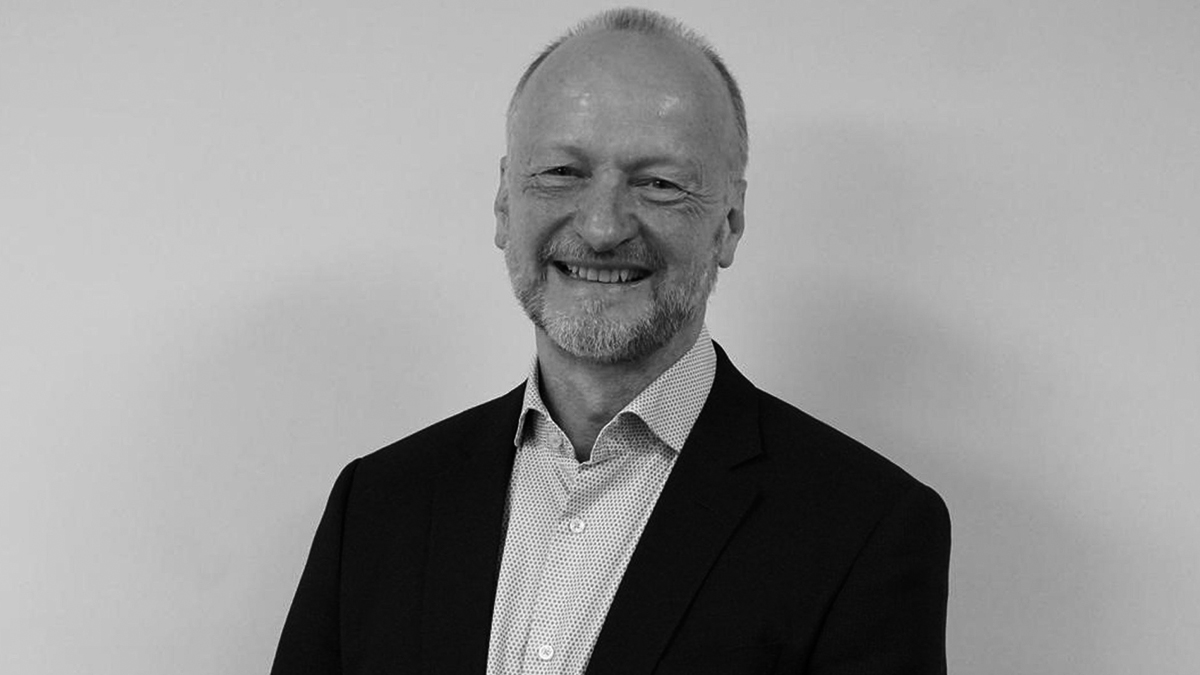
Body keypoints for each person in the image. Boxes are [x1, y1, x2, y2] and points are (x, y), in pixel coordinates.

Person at [271, 8, 950, 675]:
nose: (601, 228)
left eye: (659, 183)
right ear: (504, 203)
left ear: (730, 223)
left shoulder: (865, 530)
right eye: (562, 173)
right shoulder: (378, 505)